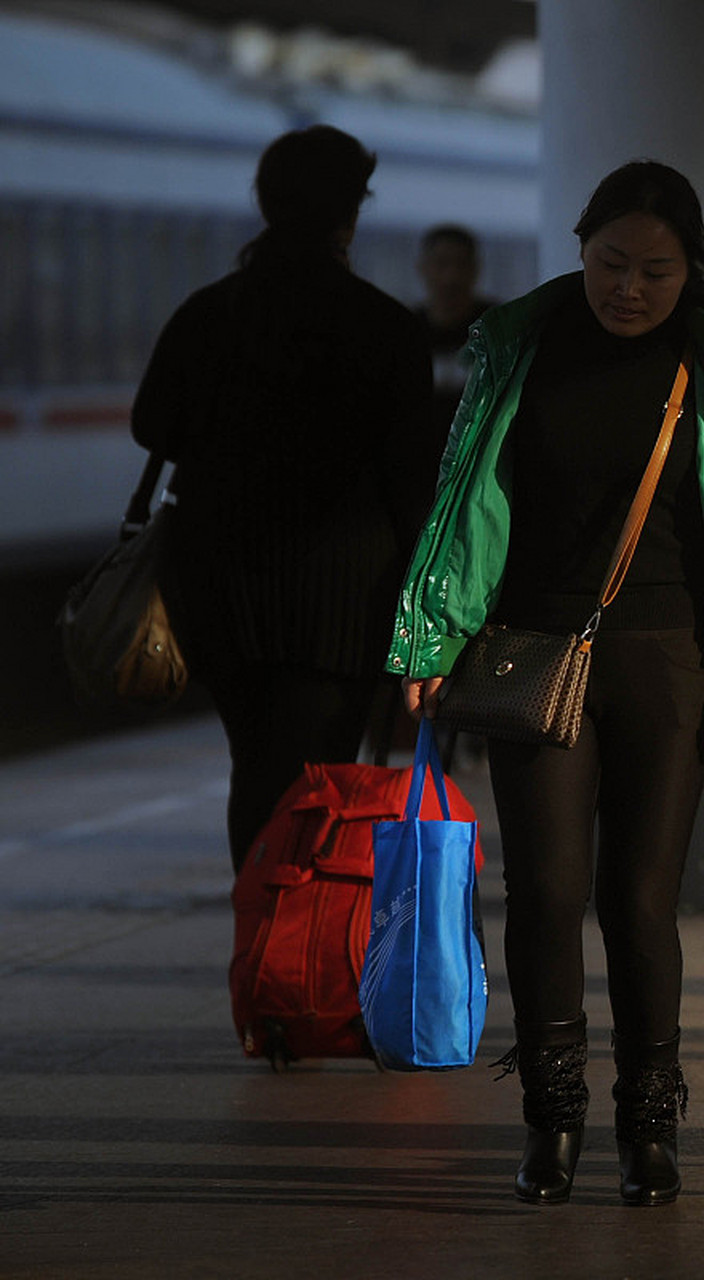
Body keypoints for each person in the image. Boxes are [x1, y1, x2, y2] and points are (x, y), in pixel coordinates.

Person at [388, 160, 704, 1208]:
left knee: (639, 898)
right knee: (546, 891)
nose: (629, 286)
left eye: (656, 270)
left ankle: (649, 1123)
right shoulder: (520, 347)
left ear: (692, 270)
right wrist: (433, 639)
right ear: (578, 248)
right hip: (533, 652)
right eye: (611, 262)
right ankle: (553, 1116)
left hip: (670, 663)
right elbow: (466, 502)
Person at [129, 124, 437, 874]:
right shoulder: (384, 326)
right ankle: (296, 947)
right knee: (319, 770)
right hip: (344, 598)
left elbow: (152, 425)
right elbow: (411, 479)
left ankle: (265, 934)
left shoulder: (211, 313)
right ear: (350, 212)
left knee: (255, 765)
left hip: (221, 590)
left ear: (266, 203)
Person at [415, 224, 496, 434]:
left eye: (461, 264)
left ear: (475, 269)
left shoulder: (497, 329)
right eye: (441, 264)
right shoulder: (406, 331)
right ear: (422, 267)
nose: (451, 276)